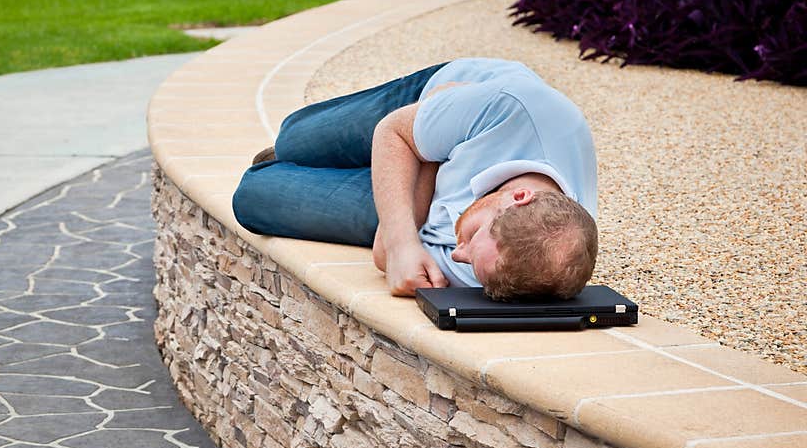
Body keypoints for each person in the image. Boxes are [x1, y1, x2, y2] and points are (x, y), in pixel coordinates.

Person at [232, 57, 598, 301]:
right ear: (519, 196)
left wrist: (404, 237)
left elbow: (384, 251)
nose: (458, 254)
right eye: (471, 237)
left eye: (467, 261)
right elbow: (393, 131)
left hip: (426, 157)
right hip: (425, 105)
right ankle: (308, 155)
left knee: (252, 198)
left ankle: (381, 163)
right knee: (296, 139)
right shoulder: (511, 106)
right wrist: (405, 237)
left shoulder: (517, 263)